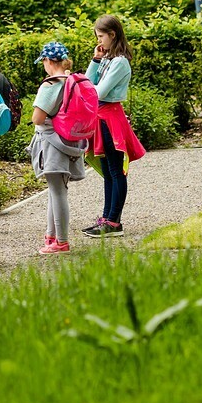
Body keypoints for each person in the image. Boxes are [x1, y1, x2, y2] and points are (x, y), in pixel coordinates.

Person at [84, 15, 145, 238]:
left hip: (110, 117)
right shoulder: (108, 59)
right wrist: (96, 59)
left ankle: (114, 222)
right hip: (101, 116)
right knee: (108, 171)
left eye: (101, 36)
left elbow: (99, 92)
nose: (99, 41)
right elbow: (88, 81)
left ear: (112, 34)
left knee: (116, 171)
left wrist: (87, 90)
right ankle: (107, 218)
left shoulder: (120, 62)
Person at [28, 42, 87, 254]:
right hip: (70, 140)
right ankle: (51, 237)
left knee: (58, 193)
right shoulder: (72, 81)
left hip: (52, 144)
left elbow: (37, 118)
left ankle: (61, 242)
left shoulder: (50, 85)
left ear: (48, 61)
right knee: (56, 191)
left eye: (43, 61)